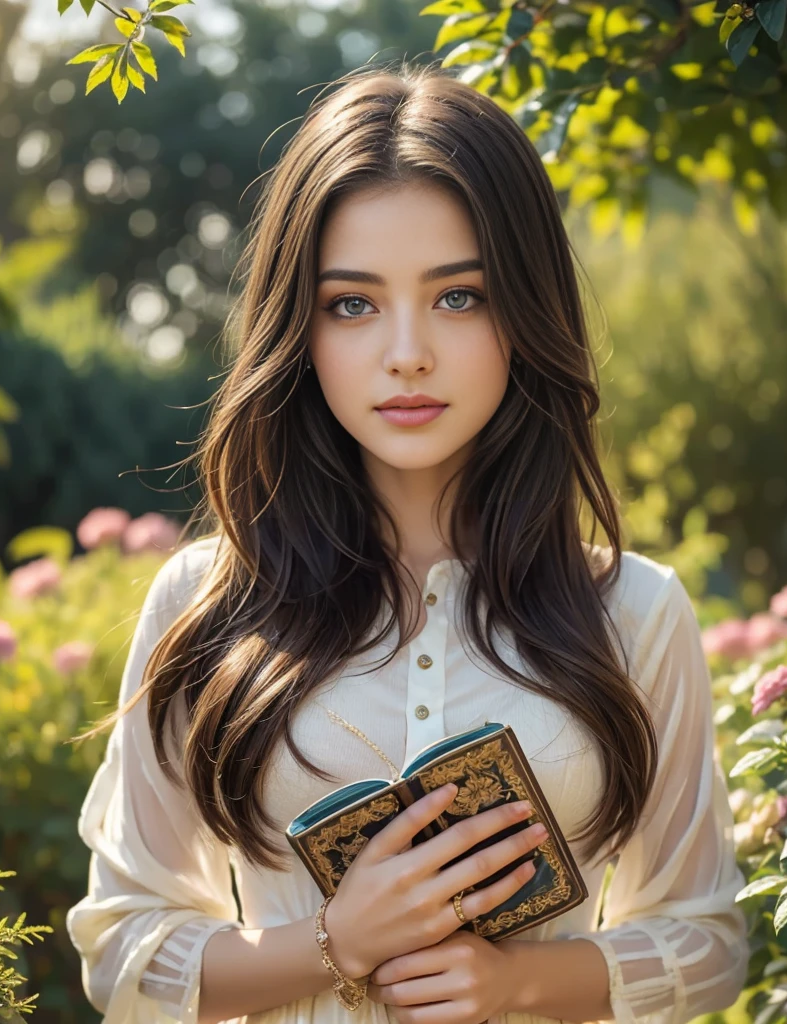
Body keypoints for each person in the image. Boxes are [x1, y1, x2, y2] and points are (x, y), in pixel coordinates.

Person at [66, 61, 749, 1024]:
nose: (406, 352)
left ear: (525, 309)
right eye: (352, 303)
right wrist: (334, 945)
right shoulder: (207, 603)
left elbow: (708, 941)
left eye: (458, 296)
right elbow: (123, 949)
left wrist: (516, 983)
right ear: (297, 330)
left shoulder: (634, 613)